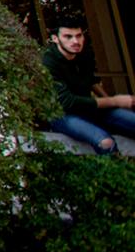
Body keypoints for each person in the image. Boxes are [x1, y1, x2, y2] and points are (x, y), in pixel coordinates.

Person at [41, 15, 135, 155]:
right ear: (55, 38)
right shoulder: (48, 61)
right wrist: (114, 101)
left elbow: (91, 81)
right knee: (105, 142)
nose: (75, 41)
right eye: (68, 37)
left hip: (91, 109)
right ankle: (114, 175)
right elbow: (68, 102)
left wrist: (115, 103)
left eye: (79, 36)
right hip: (62, 115)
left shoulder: (83, 54)